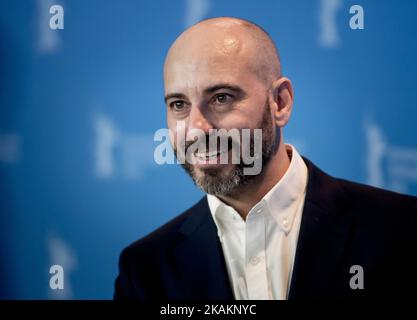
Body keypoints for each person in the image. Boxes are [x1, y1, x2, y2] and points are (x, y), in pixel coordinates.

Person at [114, 17, 417, 300]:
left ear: (280, 102)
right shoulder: (144, 269)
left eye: (221, 98)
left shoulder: (401, 229)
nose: (196, 129)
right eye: (179, 104)